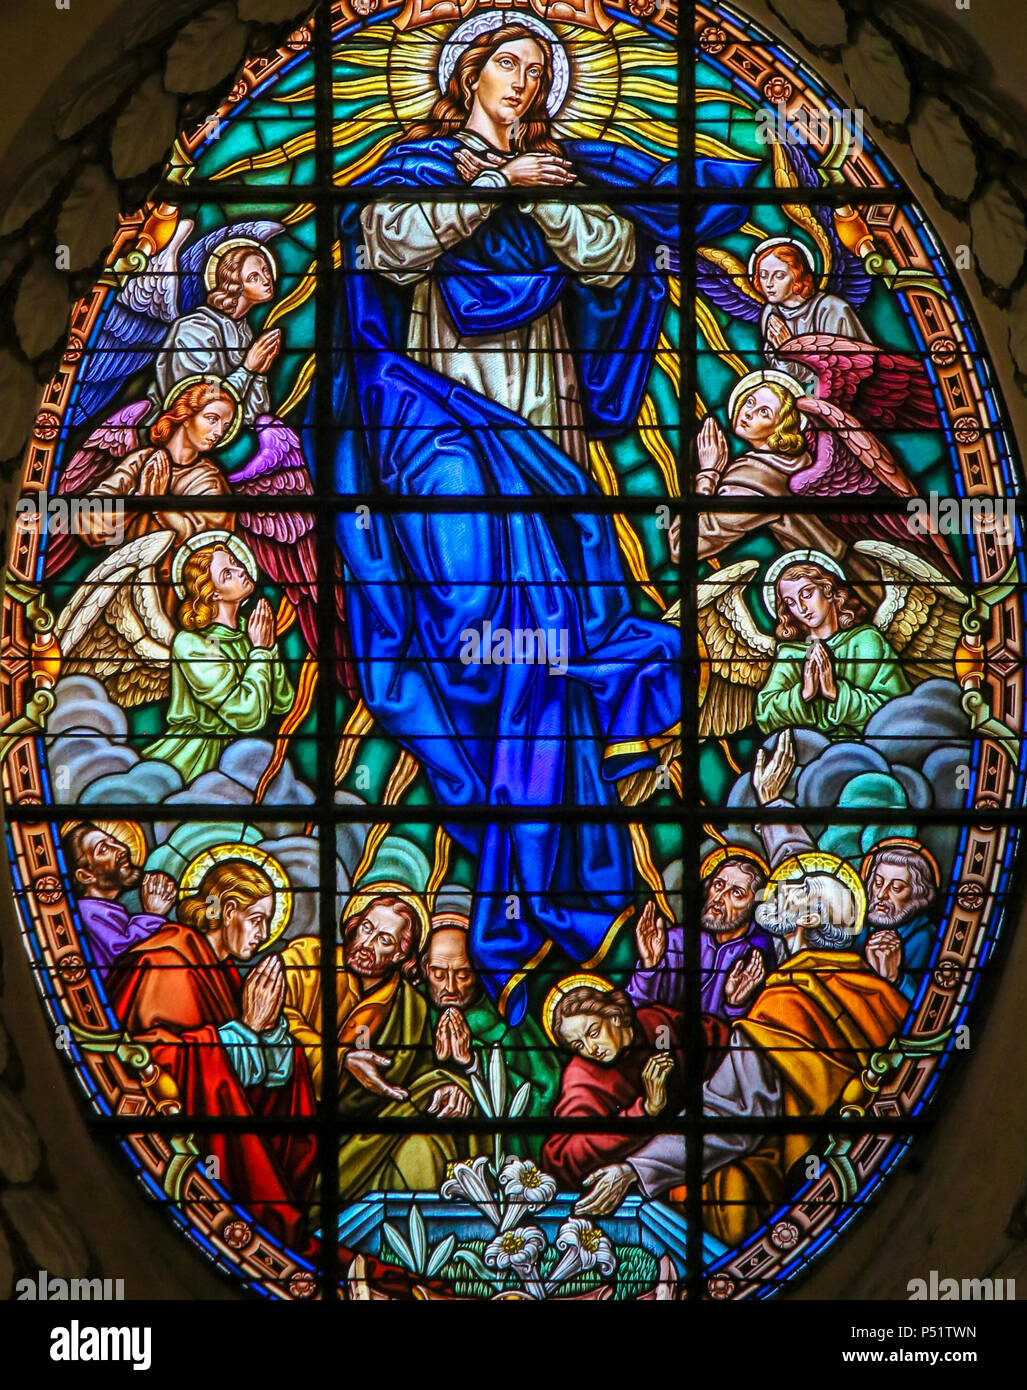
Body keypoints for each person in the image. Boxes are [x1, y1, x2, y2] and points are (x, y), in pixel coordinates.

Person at [327, 17, 755, 1020]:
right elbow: (386, 247)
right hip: (435, 414)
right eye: (504, 64)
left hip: (545, 423)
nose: (520, 81)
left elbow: (612, 259)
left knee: (545, 642)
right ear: (467, 74)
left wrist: (546, 189)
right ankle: (510, 831)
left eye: (533, 68)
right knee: (471, 608)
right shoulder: (419, 165)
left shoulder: (564, 168)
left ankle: (532, 866)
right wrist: (485, 187)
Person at [106, 857, 317, 1248]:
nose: (264, 934)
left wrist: (270, 1037)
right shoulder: (167, 961)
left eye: (269, 922)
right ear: (229, 911)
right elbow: (151, 1062)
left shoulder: (223, 975)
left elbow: (241, 1079)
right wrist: (245, 1032)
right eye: (258, 919)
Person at [280, 888, 481, 1198]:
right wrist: (338, 1058)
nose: (367, 945)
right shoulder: (306, 960)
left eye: (385, 941)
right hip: (290, 1122)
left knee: (422, 1149)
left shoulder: (411, 1008)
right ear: (354, 925)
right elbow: (268, 1018)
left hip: (368, 1136)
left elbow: (418, 1081)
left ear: (403, 955)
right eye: (366, 929)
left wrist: (451, 1089)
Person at [541, 980, 728, 1189]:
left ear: (614, 1016)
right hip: (639, 1183)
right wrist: (645, 1111)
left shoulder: (656, 1023)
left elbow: (715, 1041)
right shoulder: (581, 1077)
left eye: (593, 1033)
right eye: (578, 1044)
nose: (591, 1048)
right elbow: (564, 1157)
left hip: (705, 1147)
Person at [141, 532, 294, 782]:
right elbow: (246, 715)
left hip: (245, 760)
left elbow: (281, 703)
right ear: (213, 594)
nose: (241, 570)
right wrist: (261, 652)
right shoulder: (192, 644)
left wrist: (266, 647)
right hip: (195, 763)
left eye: (235, 562)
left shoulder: (249, 632)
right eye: (228, 573)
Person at [422, 913, 560, 1148]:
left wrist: (472, 1063)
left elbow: (543, 1095)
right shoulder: (411, 1016)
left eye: (463, 974)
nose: (450, 987)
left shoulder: (511, 1019)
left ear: (479, 972)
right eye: (438, 974)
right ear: (424, 970)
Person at [755, 558, 909, 740]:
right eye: (791, 602)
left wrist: (836, 693)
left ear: (828, 591)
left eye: (806, 594)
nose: (802, 608)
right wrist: (803, 694)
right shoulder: (789, 654)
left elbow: (898, 710)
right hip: (807, 757)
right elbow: (765, 714)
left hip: (869, 752)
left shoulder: (867, 642)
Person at [79, 380, 236, 554]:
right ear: (185, 416)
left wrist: (156, 504)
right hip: (123, 569)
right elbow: (88, 520)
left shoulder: (210, 481)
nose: (219, 432)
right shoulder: (141, 461)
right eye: (213, 419)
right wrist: (139, 499)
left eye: (225, 426)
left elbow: (210, 542)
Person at [629, 861, 778, 1025]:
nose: (719, 898)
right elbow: (637, 1015)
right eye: (718, 885)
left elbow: (754, 1039)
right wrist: (648, 968)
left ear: (755, 906)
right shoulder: (672, 942)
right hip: (662, 1042)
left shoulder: (757, 958)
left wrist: (736, 1006)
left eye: (736, 893)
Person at [151, 242, 280, 427]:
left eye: (266, 270)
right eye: (254, 277)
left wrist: (259, 374)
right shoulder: (195, 329)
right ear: (235, 285)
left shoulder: (243, 332)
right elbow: (194, 405)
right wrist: (247, 370)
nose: (267, 279)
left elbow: (251, 418)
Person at [749, 237, 870, 387]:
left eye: (779, 276)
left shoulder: (831, 309)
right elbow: (782, 373)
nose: (768, 284)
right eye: (763, 275)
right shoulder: (770, 312)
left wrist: (789, 350)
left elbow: (843, 372)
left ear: (797, 276)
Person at [61, 821, 174, 976]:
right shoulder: (86, 913)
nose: (122, 849)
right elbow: (125, 957)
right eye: (104, 849)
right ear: (85, 875)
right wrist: (153, 915)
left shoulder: (106, 910)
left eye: (114, 842)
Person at [855, 842, 938, 1002]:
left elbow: (930, 1005)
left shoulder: (924, 937)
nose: (881, 895)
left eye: (897, 887)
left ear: (917, 894)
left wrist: (896, 978)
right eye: (878, 883)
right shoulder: (860, 929)